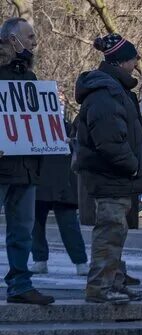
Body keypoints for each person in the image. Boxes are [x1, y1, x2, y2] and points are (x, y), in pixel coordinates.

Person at [74, 33, 142, 304]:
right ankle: (100, 287)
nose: (137, 65)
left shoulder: (115, 91)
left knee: (115, 232)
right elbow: (110, 141)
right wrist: (132, 167)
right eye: (134, 60)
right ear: (122, 62)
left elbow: (123, 134)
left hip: (116, 175)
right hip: (112, 175)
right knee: (109, 232)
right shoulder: (106, 93)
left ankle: (114, 281)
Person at [0, 18, 54, 305]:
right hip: (4, 165)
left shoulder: (29, 78)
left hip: (25, 166)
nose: (35, 41)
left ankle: (20, 284)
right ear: (12, 39)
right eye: (30, 36)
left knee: (22, 230)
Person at [31, 120, 88, 277]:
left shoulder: (66, 125)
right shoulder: (65, 124)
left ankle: (42, 260)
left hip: (52, 179)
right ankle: (78, 262)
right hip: (53, 179)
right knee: (42, 224)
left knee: (65, 224)